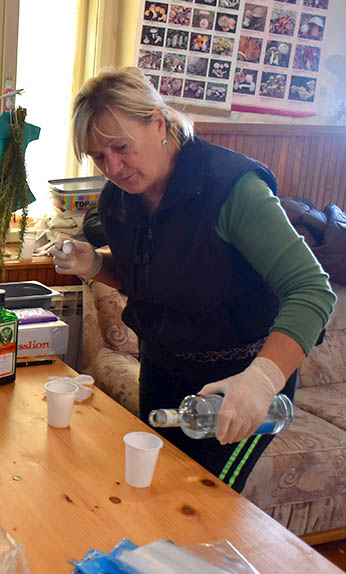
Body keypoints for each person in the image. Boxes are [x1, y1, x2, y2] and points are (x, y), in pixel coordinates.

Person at [53, 67, 335, 492]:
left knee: (206, 504)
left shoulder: (230, 188)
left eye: (120, 147)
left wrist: (261, 381)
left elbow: (312, 289)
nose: (113, 167)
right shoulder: (119, 201)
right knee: (155, 494)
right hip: (163, 369)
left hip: (237, 382)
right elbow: (156, 279)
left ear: (158, 122)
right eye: (98, 156)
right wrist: (96, 266)